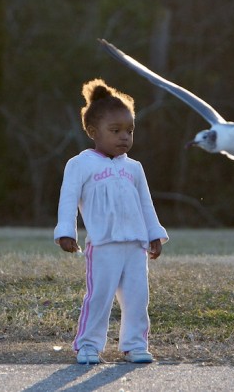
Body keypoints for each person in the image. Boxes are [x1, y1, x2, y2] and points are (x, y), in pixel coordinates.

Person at [54, 78, 169, 364]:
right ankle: (88, 346)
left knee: (137, 299)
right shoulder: (80, 164)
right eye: (115, 130)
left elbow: (145, 203)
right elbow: (68, 200)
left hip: (135, 247)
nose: (124, 137)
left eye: (129, 130)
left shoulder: (134, 168)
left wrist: (154, 234)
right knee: (99, 298)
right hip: (103, 246)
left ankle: (134, 345)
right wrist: (66, 232)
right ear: (93, 132)